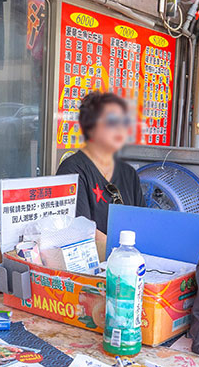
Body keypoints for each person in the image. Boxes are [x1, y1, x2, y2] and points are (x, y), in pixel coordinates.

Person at [55, 91, 146, 256]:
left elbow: (142, 223)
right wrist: (123, 254)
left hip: (130, 262)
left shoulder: (129, 174)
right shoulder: (72, 170)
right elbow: (81, 230)